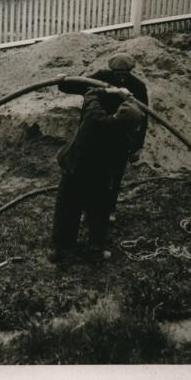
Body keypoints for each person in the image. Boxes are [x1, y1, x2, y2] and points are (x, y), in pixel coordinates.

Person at [50, 88, 146, 263]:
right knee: (98, 213)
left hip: (73, 169)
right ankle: (95, 250)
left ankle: (61, 249)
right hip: (96, 178)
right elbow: (118, 166)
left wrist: (112, 91)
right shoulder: (123, 141)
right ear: (129, 126)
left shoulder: (94, 118)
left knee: (67, 208)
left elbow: (90, 95)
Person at [59, 52, 148, 220]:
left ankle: (109, 209)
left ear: (130, 71)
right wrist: (62, 83)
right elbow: (79, 87)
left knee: (115, 175)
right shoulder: (101, 78)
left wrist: (138, 146)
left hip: (121, 139)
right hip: (98, 136)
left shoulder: (138, 86)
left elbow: (143, 118)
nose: (121, 78)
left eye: (125, 74)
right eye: (118, 74)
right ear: (112, 70)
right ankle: (88, 209)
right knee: (92, 174)